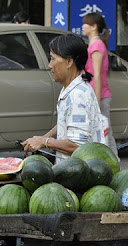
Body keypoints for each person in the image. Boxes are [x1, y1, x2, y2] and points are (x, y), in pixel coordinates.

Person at [22, 34, 104, 163]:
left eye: (53, 59)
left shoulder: (77, 96)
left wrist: (44, 141)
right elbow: (67, 121)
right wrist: (44, 137)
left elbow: (78, 146)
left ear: (69, 62)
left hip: (80, 176)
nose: (50, 65)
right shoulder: (72, 88)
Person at [82, 12, 119, 158]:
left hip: (100, 97)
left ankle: (114, 163)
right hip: (96, 96)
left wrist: (96, 101)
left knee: (105, 133)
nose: (83, 26)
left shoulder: (96, 45)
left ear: (94, 27)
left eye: (86, 23)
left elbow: (97, 75)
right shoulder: (94, 44)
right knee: (101, 133)